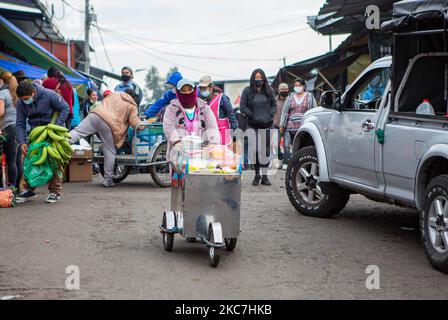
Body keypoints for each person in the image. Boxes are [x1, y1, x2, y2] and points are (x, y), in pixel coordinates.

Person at [68, 92, 144, 188]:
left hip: (95, 114)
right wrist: (143, 125)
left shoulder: (115, 94)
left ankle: (59, 141)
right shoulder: (132, 105)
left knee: (78, 132)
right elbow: (134, 122)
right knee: (109, 151)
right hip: (108, 124)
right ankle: (108, 180)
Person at [15, 82, 70, 203]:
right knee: (31, 160)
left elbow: (65, 108)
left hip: (53, 131)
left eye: (26, 98)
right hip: (36, 133)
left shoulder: (49, 95)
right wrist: (22, 142)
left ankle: (55, 192)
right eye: (22, 99)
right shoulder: (20, 103)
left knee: (54, 161)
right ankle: (29, 189)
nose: (25, 101)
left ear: (33, 93)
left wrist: (55, 126)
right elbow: (20, 123)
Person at [163, 79, 220, 163]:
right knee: (180, 174)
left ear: (195, 90)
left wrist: (212, 144)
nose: (187, 93)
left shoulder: (204, 108)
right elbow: (169, 127)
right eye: (183, 90)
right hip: (180, 153)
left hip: (202, 153)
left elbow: (212, 127)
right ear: (178, 92)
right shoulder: (172, 108)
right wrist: (177, 142)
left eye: (190, 90)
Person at [240, 69, 277, 187]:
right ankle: (257, 175)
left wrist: (269, 115)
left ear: (264, 78)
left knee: (265, 151)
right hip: (253, 125)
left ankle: (265, 177)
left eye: (260, 77)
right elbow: (242, 106)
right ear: (252, 78)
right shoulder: (247, 91)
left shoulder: (269, 90)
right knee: (255, 150)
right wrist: (252, 115)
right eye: (256, 77)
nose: (258, 79)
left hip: (267, 125)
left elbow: (274, 105)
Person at [279, 77, 317, 167]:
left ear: (303, 86)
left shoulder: (310, 96)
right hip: (290, 126)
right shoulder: (290, 97)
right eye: (295, 85)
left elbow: (314, 110)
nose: (297, 87)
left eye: (299, 85)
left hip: (303, 126)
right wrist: (282, 125)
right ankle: (286, 162)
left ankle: (300, 162)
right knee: (286, 145)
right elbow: (285, 111)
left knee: (302, 146)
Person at [198, 75, 237, 146]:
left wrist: (234, 135)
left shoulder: (222, 98)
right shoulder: (200, 101)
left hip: (222, 135)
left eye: (204, 88)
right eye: (201, 88)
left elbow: (232, 116)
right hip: (208, 136)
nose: (202, 91)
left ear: (211, 87)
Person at [0, 72, 19, 188]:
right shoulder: (17, 93)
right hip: (20, 129)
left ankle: (11, 190)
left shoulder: (2, 93)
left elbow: (1, 112)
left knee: (10, 161)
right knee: (17, 160)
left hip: (8, 128)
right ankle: (16, 188)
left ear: (2, 81)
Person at [274, 83, 290, 168]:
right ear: (279, 90)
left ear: (288, 90)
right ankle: (280, 159)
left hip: (287, 127)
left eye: (285, 89)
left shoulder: (291, 100)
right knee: (275, 145)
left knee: (287, 145)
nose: (284, 90)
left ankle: (286, 163)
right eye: (282, 89)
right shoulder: (274, 101)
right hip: (276, 126)